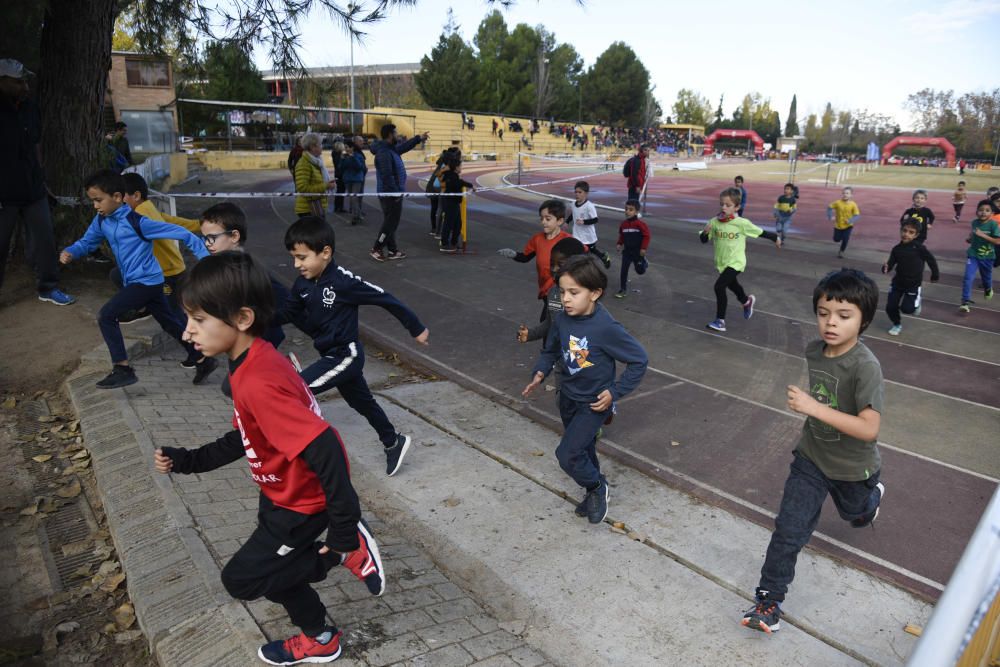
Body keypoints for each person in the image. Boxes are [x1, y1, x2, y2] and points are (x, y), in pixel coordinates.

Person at [154, 251, 386, 665]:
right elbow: (248, 437)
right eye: (188, 319)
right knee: (275, 577)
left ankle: (347, 553)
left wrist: (343, 531)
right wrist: (189, 460)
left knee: (242, 579)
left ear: (242, 319)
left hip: (300, 506)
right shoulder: (254, 361)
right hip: (279, 496)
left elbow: (327, 447)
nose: (188, 332)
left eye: (200, 320)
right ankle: (320, 638)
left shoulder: (258, 381)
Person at [742, 268, 884, 635]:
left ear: (864, 320)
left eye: (843, 315)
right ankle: (768, 601)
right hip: (811, 458)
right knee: (789, 529)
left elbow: (870, 428)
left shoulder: (866, 367)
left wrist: (814, 408)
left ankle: (870, 500)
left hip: (853, 467)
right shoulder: (814, 350)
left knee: (856, 512)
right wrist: (816, 412)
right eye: (824, 313)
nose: (830, 323)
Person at [280, 216, 429, 476]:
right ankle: (393, 441)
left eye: (302, 257)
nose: (297, 264)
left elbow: (385, 298)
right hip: (328, 354)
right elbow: (289, 312)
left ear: (325, 252)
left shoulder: (343, 282)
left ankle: (305, 459)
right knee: (363, 403)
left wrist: (416, 328)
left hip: (345, 355)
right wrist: (251, 325)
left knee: (297, 393)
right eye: (294, 258)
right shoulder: (302, 284)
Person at [59, 169, 216, 388]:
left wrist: (206, 260)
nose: (95, 206)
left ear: (116, 197)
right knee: (170, 323)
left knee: (106, 315)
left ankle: (122, 368)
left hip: (146, 282)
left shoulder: (138, 222)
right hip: (139, 281)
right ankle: (203, 360)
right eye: (93, 201)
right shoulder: (102, 220)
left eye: (98, 200)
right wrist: (71, 251)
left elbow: (184, 233)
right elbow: (88, 242)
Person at [522, 255, 648, 524]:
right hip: (567, 397)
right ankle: (593, 490)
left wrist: (615, 391)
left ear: (595, 293)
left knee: (566, 455)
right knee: (584, 449)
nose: (565, 299)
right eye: (563, 291)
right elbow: (552, 348)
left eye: (573, 293)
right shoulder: (563, 318)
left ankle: (596, 487)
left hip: (593, 404)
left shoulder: (606, 328)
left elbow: (639, 360)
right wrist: (540, 372)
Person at [0, 59, 75, 305]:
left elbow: (36, 144)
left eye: (26, 81)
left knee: (45, 240)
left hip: (33, 188)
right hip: (4, 193)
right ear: (3, 82)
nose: (25, 86)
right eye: (19, 82)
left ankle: (48, 287)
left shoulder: (30, 107)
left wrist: (41, 177)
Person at [200, 202, 290, 351]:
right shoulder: (225, 266)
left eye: (212, 237)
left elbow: (287, 301)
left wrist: (263, 324)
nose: (207, 244)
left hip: (259, 345)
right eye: (204, 238)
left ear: (234, 236)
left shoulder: (247, 270)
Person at [120, 172, 201, 323]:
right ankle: (146, 306)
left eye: (121, 196)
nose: (118, 200)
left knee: (175, 317)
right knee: (117, 274)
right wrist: (199, 225)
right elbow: (172, 221)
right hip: (171, 269)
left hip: (169, 274)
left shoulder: (139, 216)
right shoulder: (148, 208)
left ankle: (195, 343)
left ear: (136, 196)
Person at [700, 187, 781, 332]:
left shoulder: (741, 223)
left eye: (728, 205)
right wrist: (705, 233)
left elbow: (759, 232)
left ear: (737, 207)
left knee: (719, 287)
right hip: (722, 263)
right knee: (733, 285)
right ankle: (746, 301)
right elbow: (703, 240)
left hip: (736, 262)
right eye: (722, 204)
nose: (724, 207)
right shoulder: (714, 222)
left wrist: (775, 238)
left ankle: (720, 321)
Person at [498, 199, 573, 318]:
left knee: (550, 321)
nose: (543, 222)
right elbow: (525, 257)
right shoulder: (537, 239)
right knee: (552, 323)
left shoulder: (568, 241)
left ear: (560, 221)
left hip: (558, 290)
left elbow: (584, 258)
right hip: (544, 289)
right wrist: (514, 254)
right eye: (541, 218)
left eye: (548, 219)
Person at [370, 123, 429, 262]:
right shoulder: (384, 152)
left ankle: (392, 250)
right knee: (391, 223)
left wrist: (418, 138)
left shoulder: (390, 149)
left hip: (392, 193)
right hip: (390, 194)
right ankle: (377, 247)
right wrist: (395, 193)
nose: (398, 136)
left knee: (390, 222)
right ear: (390, 135)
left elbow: (404, 147)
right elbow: (386, 175)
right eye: (396, 133)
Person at [516, 237, 586, 344]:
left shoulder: (587, 298)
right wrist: (530, 334)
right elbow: (551, 322)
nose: (554, 269)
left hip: (577, 357)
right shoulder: (553, 292)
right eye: (552, 264)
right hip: (551, 353)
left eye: (560, 265)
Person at [881, 220, 939, 336]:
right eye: (904, 231)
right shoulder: (896, 249)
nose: (906, 234)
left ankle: (917, 300)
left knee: (907, 309)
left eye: (911, 232)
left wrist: (935, 275)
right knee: (890, 307)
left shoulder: (919, 248)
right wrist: (885, 268)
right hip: (897, 283)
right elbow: (890, 264)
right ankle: (897, 324)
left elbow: (931, 260)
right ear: (900, 230)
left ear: (916, 235)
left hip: (913, 284)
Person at [959, 200, 1000, 313]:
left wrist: (982, 235)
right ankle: (965, 302)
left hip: (987, 257)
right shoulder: (974, 222)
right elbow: (973, 234)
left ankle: (988, 289)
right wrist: (970, 239)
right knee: (968, 277)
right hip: (973, 255)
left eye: (987, 211)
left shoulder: (993, 225)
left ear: (992, 213)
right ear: (977, 211)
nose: (983, 213)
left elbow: (997, 241)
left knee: (986, 278)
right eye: (981, 210)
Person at [438, 153, 474, 253]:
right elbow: (458, 183)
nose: (461, 167)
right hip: (450, 203)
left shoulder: (454, 175)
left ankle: (454, 243)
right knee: (448, 224)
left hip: (454, 203)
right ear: (456, 167)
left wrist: (469, 185)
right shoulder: (450, 176)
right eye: (460, 166)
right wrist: (470, 185)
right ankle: (444, 245)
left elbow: (460, 182)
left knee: (458, 224)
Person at [615, 199, 651, 298]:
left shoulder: (640, 224)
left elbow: (647, 236)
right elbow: (622, 235)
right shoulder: (623, 224)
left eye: (631, 210)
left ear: (636, 212)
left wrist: (643, 248)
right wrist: (619, 243)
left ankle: (644, 262)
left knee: (640, 271)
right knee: (623, 270)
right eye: (626, 209)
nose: (627, 211)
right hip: (627, 252)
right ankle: (623, 289)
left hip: (637, 252)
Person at [571, 181, 611, 268]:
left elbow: (595, 220)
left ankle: (604, 257)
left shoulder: (589, 206)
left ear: (586, 194)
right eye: (576, 192)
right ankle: (581, 269)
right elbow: (573, 214)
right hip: (577, 234)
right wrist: (567, 222)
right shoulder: (573, 204)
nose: (577, 194)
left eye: (580, 192)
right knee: (579, 252)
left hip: (588, 235)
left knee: (592, 250)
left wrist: (584, 222)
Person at [294, 133, 333, 219]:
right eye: (320, 144)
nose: (322, 146)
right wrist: (326, 186)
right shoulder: (304, 163)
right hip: (308, 209)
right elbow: (303, 188)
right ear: (312, 147)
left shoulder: (317, 162)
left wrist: (328, 184)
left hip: (316, 206)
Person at [341, 138, 368, 226]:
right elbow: (340, 168)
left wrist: (353, 158)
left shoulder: (358, 155)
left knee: (354, 198)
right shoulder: (345, 156)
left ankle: (355, 217)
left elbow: (359, 167)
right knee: (352, 199)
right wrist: (342, 159)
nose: (346, 149)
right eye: (345, 147)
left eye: (347, 147)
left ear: (352, 148)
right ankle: (358, 215)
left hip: (357, 180)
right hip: (348, 180)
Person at [827, 187, 860, 258]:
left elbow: (857, 215)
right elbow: (829, 207)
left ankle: (841, 251)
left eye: (847, 193)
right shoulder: (837, 203)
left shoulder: (853, 204)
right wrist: (830, 216)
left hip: (848, 226)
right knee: (836, 239)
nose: (845, 195)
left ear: (851, 195)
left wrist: (850, 220)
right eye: (844, 193)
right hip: (838, 225)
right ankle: (841, 237)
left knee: (846, 238)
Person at [330, 140, 346, 214]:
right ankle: (338, 207)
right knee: (340, 190)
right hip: (340, 174)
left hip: (338, 173)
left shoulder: (335, 153)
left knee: (340, 190)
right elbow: (339, 164)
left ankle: (339, 206)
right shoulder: (337, 155)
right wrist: (343, 158)